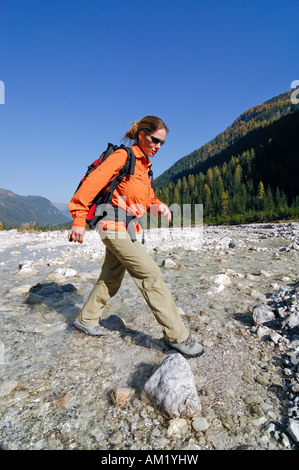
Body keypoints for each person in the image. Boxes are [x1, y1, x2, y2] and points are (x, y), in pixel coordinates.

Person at [68, 116, 204, 357]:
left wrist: (158, 206)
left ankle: (85, 320)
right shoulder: (123, 157)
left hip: (127, 228)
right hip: (112, 226)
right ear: (142, 135)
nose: (158, 146)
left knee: (111, 277)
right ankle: (177, 336)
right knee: (150, 274)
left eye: (162, 143)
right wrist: (78, 218)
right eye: (155, 140)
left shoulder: (144, 167)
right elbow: (91, 184)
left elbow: (145, 199)